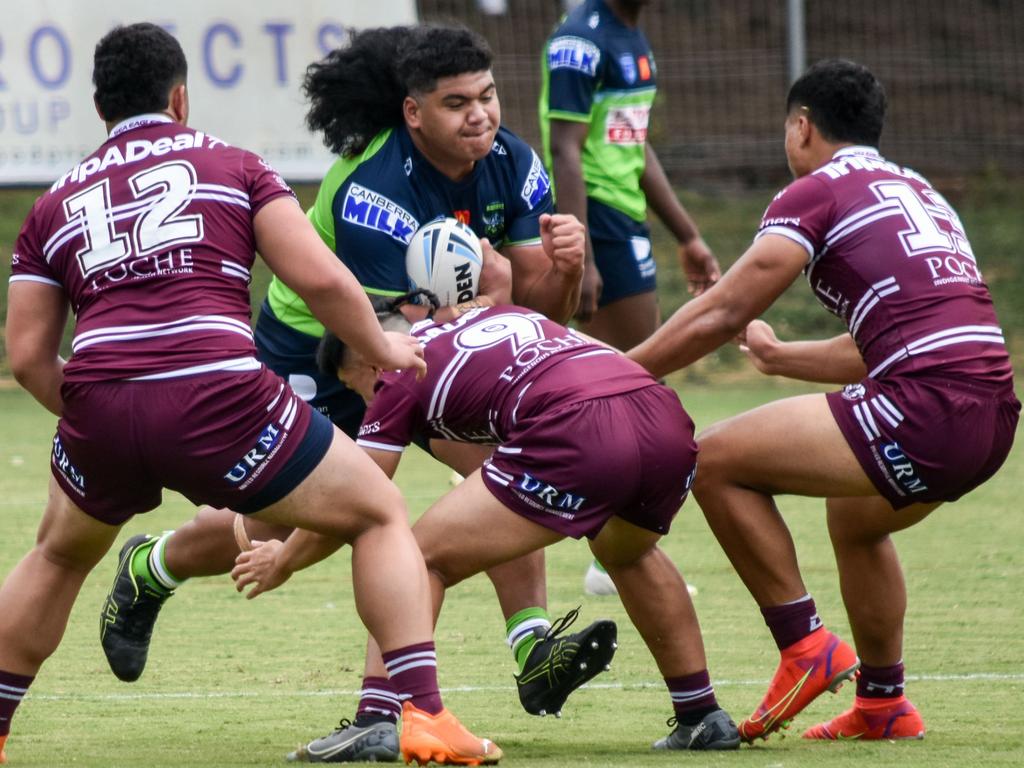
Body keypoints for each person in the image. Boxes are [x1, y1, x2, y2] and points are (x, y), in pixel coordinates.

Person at [94, 24, 603, 764]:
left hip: (421, 346)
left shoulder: (516, 163)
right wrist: (497, 298)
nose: (482, 116)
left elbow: (526, 317)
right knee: (278, 524)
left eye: (488, 97)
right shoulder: (372, 192)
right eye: (458, 102)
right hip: (326, 352)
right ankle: (154, 565)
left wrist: (561, 269)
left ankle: (529, 649)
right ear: (414, 112)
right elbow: (387, 333)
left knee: (499, 469)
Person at [0, 23, 502, 766]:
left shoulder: (53, 204)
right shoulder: (232, 164)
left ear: (101, 108)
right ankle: (422, 714)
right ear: (180, 97)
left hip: (100, 399)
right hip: (219, 395)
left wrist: (96, 418)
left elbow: (27, 356)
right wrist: (383, 348)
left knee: (57, 556)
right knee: (377, 512)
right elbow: (322, 279)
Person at [626, 59, 1019, 741]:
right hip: (992, 413)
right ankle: (883, 704)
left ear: (801, 127)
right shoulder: (919, 189)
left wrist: (618, 373)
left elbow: (723, 311)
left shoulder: (813, 192)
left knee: (714, 459)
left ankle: (804, 645)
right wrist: (780, 360)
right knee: (856, 522)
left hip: (926, 409)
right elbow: (898, 336)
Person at [231, 297, 742, 754]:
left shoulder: (395, 370)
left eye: (355, 387)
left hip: (578, 423)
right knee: (627, 552)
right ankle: (702, 715)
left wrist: (285, 557)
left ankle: (377, 718)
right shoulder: (487, 314)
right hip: (662, 418)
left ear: (366, 356)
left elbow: (356, 501)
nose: (367, 398)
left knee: (415, 557)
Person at [540, 0, 720, 595]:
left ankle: (609, 552)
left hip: (627, 220)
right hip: (601, 222)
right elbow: (566, 149)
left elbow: (633, 146)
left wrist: (688, 234)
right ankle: (609, 554)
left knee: (635, 387)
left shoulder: (632, 37)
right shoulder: (580, 41)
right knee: (639, 389)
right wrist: (582, 254)